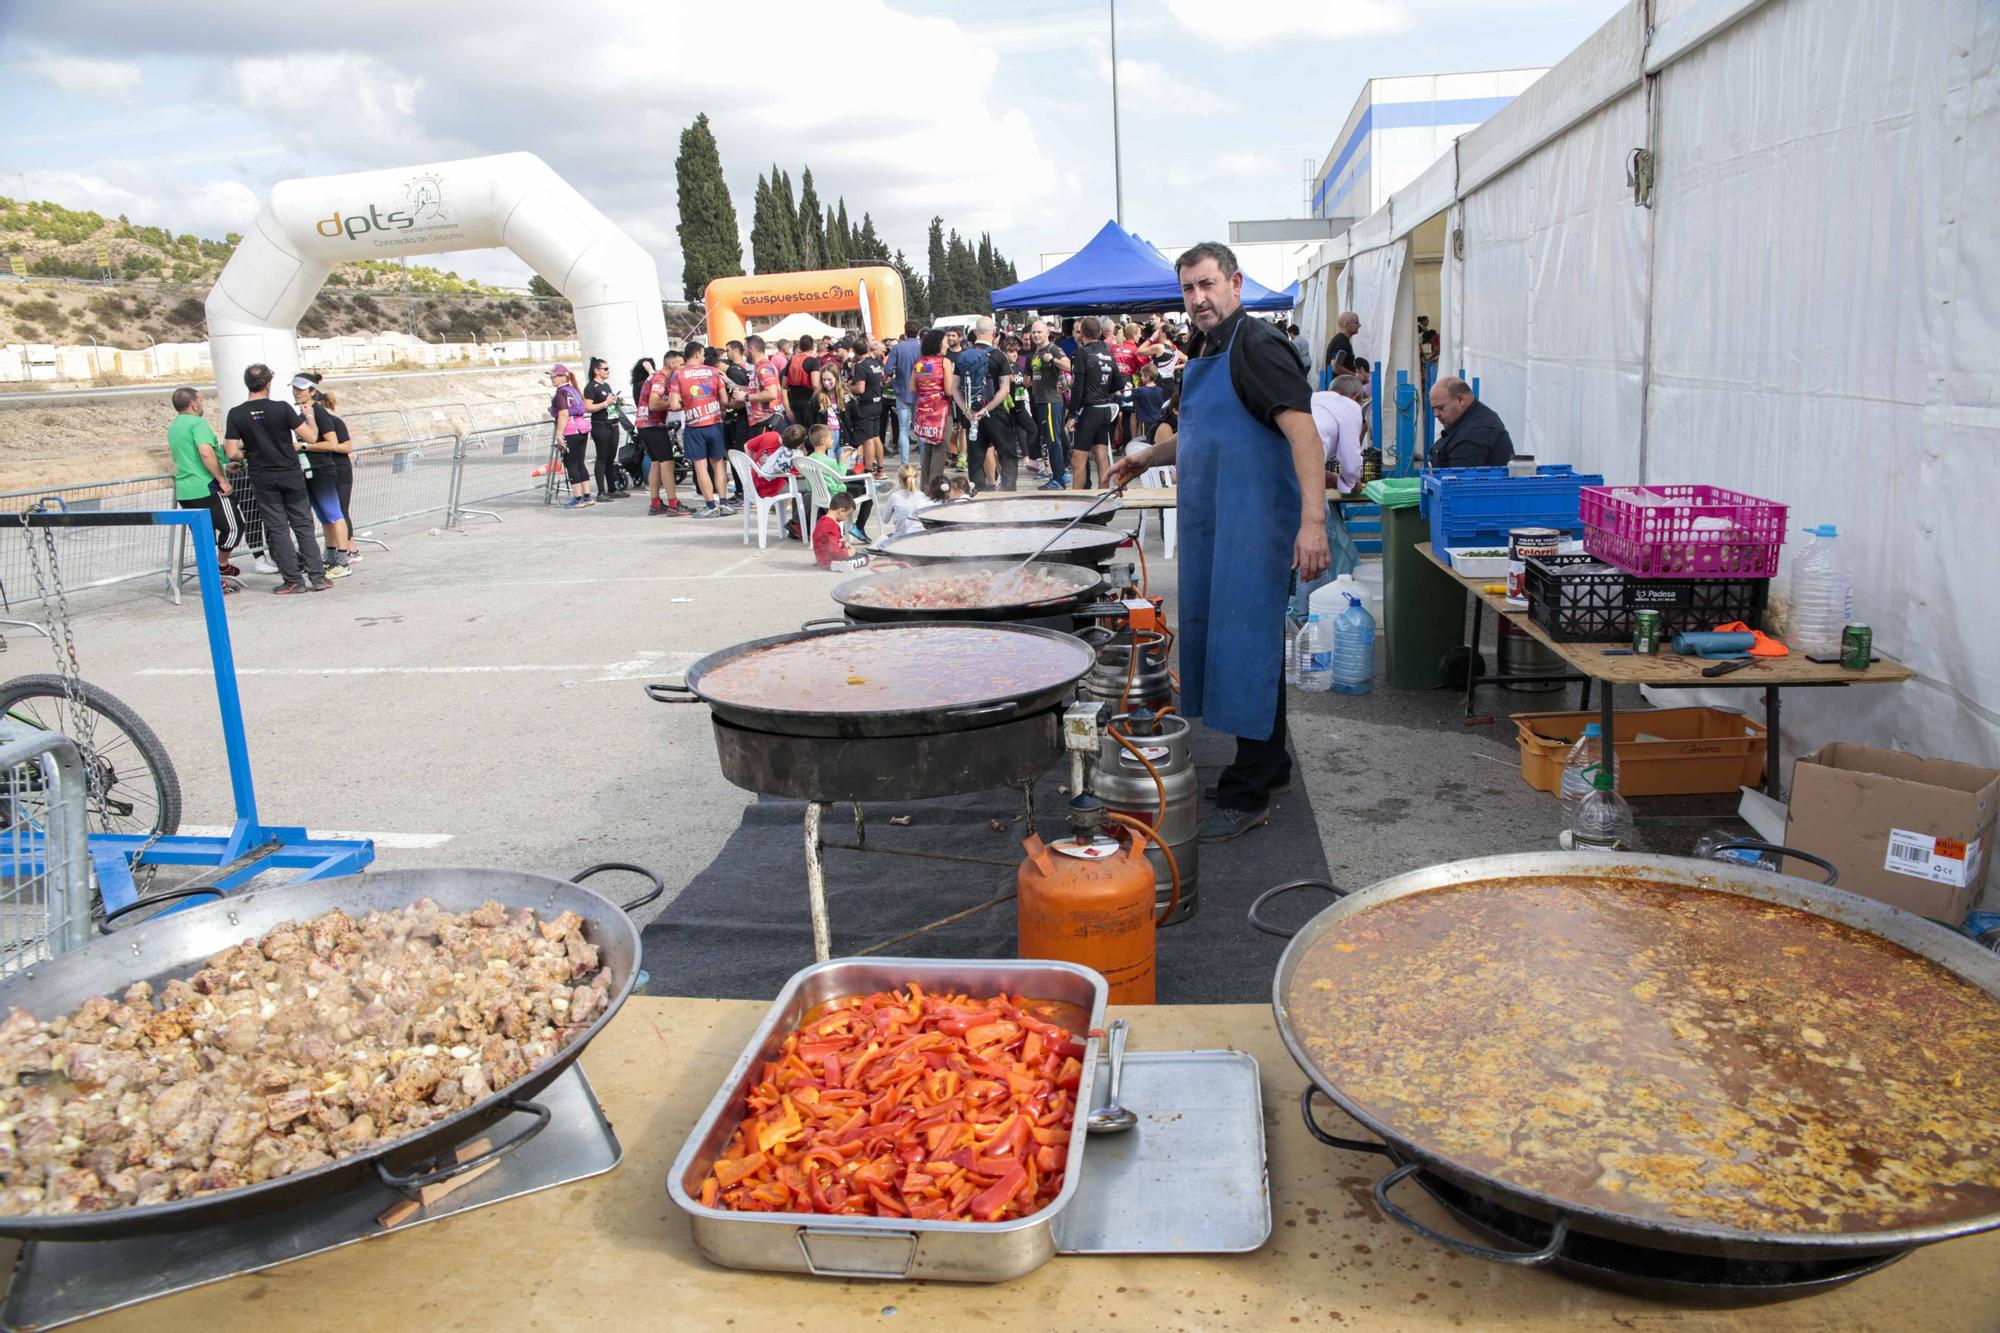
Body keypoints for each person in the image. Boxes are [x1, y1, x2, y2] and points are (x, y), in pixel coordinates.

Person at [1108, 242, 1328, 843]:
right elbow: (1200, 430)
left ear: (1235, 283)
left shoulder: (1257, 346)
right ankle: (1272, 763)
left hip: (1254, 522)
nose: (1198, 299)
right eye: (1188, 289)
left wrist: (1313, 523)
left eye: (1207, 285)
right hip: (1218, 520)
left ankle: (1249, 788)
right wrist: (1146, 456)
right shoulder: (1205, 347)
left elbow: (1305, 436)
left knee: (1246, 645)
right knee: (1235, 642)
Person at [222, 362, 328, 594]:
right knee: (303, 525)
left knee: (278, 529)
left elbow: (231, 452)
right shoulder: (281, 408)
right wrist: (310, 417)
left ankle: (293, 580)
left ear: (246, 384)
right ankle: (318, 577)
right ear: (269, 383)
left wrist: (246, 454)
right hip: (291, 474)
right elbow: (310, 436)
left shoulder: (236, 413)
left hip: (263, 477)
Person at [166, 385, 240, 580]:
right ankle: (221, 566)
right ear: (194, 404)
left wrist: (224, 466)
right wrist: (222, 480)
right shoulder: (198, 424)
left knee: (204, 537)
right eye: (202, 401)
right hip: (206, 486)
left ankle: (212, 577)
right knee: (234, 528)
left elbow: (191, 458)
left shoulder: (174, 427)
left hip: (185, 490)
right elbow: (205, 452)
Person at [295, 375, 355, 576]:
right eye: (294, 389)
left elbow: (332, 443)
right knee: (325, 518)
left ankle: (342, 561)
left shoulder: (318, 413)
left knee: (335, 514)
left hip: (323, 470)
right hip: (310, 470)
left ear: (312, 391)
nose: (297, 392)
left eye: (301, 389)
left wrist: (303, 445)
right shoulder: (305, 414)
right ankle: (330, 558)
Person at [667, 340, 734, 518]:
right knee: (718, 464)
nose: (704, 357)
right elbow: (725, 401)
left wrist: (689, 405)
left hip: (695, 425)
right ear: (697, 353)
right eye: (703, 354)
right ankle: (724, 503)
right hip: (714, 423)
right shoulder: (713, 372)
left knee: (700, 466)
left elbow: (673, 405)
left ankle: (710, 505)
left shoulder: (678, 375)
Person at [957, 316, 1017, 492]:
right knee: (1007, 456)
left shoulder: (963, 356)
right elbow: (1004, 389)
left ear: (975, 333)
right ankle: (1008, 493)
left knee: (975, 460)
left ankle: (979, 496)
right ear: (994, 333)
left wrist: (967, 410)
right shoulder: (999, 356)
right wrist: (987, 409)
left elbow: (954, 389)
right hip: (995, 413)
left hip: (972, 416)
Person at [1068, 316, 1120, 490]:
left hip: (1089, 410)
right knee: (1101, 455)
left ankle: (1075, 503)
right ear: (1099, 333)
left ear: (1082, 334)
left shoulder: (1082, 353)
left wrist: (1071, 415)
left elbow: (1077, 388)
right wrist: (1102, 387)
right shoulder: (1107, 351)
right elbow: (1118, 383)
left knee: (1078, 460)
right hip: (1105, 409)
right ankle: (1103, 498)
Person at [634, 355, 688, 516]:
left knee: (656, 463)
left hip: (644, 425)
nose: (682, 367)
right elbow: (653, 403)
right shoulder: (661, 379)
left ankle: (656, 503)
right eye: (681, 364)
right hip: (653, 425)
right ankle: (673, 503)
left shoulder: (657, 377)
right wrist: (674, 405)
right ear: (671, 364)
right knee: (667, 463)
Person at [1023, 320, 1071, 488]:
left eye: (1039, 332)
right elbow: (1028, 381)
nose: (1036, 335)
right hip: (1041, 401)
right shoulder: (1036, 352)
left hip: (1052, 401)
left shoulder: (1052, 349)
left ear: (1047, 333)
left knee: (1052, 440)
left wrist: (1053, 361)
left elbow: (1069, 366)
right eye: (1033, 332)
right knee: (1052, 438)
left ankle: (1058, 479)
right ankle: (1062, 473)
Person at [1429, 375, 1514, 468]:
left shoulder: (1476, 431)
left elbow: (1457, 480)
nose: (1436, 414)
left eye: (1440, 408)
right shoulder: (1471, 420)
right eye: (1434, 409)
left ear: (1461, 400)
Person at [908, 328, 957, 489]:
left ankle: (924, 487)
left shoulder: (920, 362)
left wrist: (927, 390)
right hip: (941, 412)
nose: (947, 343)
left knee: (927, 450)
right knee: (939, 450)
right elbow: (949, 390)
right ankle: (935, 488)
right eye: (944, 341)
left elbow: (912, 389)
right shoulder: (945, 362)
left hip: (923, 412)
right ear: (938, 344)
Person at [546, 364, 596, 508]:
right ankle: (587, 496)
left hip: (570, 430)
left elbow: (563, 413)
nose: (551, 380)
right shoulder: (573, 390)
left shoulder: (561, 393)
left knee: (571, 463)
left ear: (563, 377)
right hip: (582, 429)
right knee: (580, 462)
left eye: (553, 377)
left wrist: (559, 434)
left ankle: (578, 497)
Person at [581, 358, 624, 499]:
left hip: (613, 424)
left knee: (611, 458)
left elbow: (610, 403)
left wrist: (617, 402)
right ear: (596, 370)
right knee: (602, 458)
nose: (608, 371)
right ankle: (600, 491)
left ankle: (612, 488)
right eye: (605, 369)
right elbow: (587, 407)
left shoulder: (606, 386)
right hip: (601, 426)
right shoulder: (591, 387)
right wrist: (605, 403)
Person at [847, 337, 888, 477]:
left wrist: (846, 387)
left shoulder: (861, 365)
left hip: (866, 405)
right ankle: (881, 469)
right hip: (878, 403)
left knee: (868, 439)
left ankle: (868, 471)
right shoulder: (876, 362)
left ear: (854, 351)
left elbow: (860, 389)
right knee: (876, 437)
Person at [812, 490, 866, 571]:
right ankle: (838, 566)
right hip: (830, 561)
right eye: (847, 514)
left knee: (855, 554)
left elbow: (827, 541)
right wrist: (847, 554)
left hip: (821, 559)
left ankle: (833, 564)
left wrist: (843, 543)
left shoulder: (822, 521)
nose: (846, 518)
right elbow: (833, 549)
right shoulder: (832, 525)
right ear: (841, 511)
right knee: (863, 558)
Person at [880, 463, 929, 538]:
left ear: (899, 480)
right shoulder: (921, 495)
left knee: (882, 539)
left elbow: (885, 520)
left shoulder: (894, 496)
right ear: (917, 479)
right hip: (919, 538)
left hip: (899, 538)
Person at [812, 365, 850, 460]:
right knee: (829, 470)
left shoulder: (845, 396)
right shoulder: (817, 397)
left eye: (829, 379)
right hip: (825, 436)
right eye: (823, 380)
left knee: (843, 469)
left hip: (843, 436)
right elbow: (810, 420)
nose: (826, 383)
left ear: (836, 378)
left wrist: (855, 441)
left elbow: (857, 418)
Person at [783, 333, 819, 425]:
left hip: (794, 405)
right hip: (809, 403)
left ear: (800, 346)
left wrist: (788, 411)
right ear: (812, 347)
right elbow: (815, 385)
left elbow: (784, 385)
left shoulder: (790, 362)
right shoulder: (813, 361)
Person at [1133, 363, 1165, 444]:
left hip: (1146, 419)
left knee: (1146, 438)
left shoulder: (1141, 390)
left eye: (1142, 376)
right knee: (1153, 437)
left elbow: (1126, 399)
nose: (1141, 378)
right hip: (1156, 418)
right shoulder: (1160, 389)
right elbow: (1161, 404)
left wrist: (1118, 394)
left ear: (1147, 377)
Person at [1325, 312, 1358, 376]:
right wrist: (1355, 375)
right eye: (1356, 322)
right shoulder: (1340, 341)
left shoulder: (1343, 340)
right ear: (1346, 324)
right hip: (1340, 384)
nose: (1359, 325)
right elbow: (1335, 366)